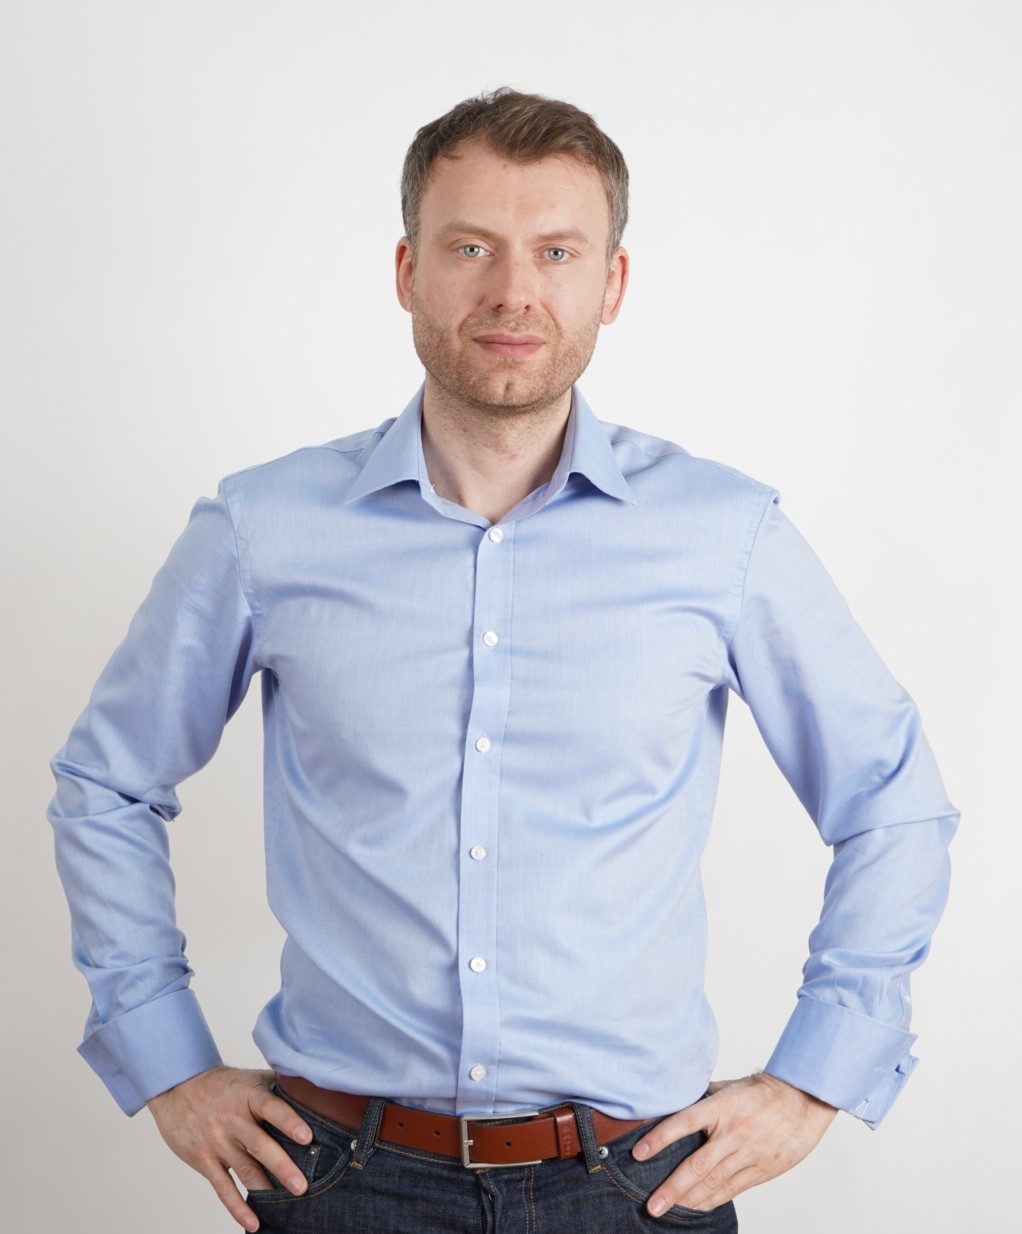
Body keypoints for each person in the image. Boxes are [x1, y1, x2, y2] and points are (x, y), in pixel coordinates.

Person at [49, 88, 957, 1234]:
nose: (512, 291)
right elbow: (107, 784)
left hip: (637, 1184)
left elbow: (891, 802)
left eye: (556, 251)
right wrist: (166, 1062)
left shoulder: (725, 536)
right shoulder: (261, 527)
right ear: (407, 271)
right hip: (338, 1183)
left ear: (610, 284)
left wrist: (816, 1076)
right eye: (468, 246)